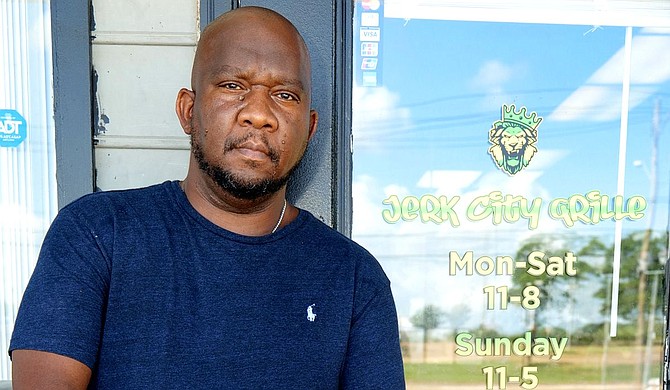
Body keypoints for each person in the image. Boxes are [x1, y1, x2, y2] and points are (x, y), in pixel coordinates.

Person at [8, 6, 405, 389]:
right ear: (188, 110)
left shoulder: (354, 280)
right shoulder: (98, 234)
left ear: (310, 128)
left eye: (284, 95)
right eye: (234, 86)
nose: (258, 114)